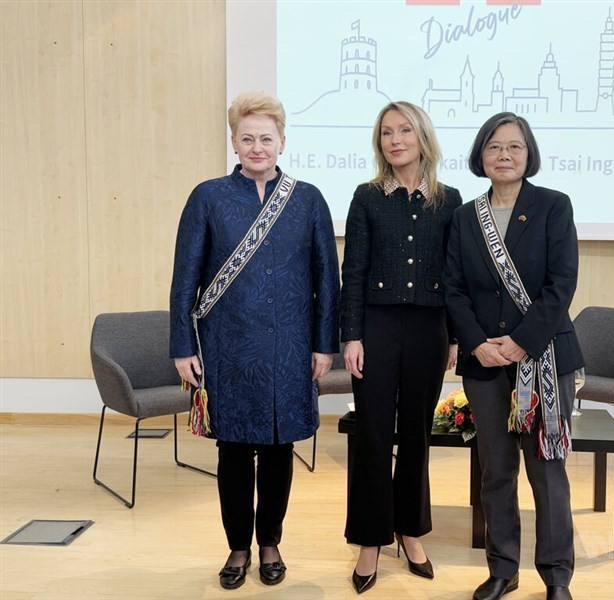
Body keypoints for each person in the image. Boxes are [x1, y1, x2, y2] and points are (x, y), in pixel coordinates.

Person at [169, 92, 339, 590]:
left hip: (290, 346)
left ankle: (271, 542)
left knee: (281, 446)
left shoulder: (307, 199)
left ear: (282, 141)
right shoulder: (209, 197)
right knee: (235, 451)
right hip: (228, 345)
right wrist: (184, 346)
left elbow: (327, 278)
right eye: (248, 138)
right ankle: (238, 547)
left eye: (267, 138)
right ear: (234, 142)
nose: (257, 146)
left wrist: (322, 344)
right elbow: (185, 278)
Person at [444, 112, 584, 600]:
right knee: (495, 470)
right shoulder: (464, 216)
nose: (504, 155)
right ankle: (503, 567)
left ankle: (556, 575)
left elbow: (561, 283)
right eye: (495, 147)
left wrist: (521, 341)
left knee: (547, 469)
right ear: (481, 155)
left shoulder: (553, 207)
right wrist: (479, 342)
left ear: (529, 155)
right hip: (485, 363)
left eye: (515, 147)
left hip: (541, 357)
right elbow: (454, 289)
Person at [340, 101, 462, 593]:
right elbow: (354, 273)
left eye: (404, 130)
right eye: (386, 132)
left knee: (416, 434)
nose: (394, 139)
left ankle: (410, 531)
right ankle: (370, 540)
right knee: (371, 433)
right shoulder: (367, 197)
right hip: (376, 326)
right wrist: (351, 335)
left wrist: (453, 335)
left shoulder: (450, 200)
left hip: (429, 330)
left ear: (421, 137)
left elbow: (455, 276)